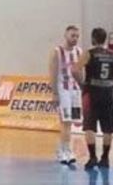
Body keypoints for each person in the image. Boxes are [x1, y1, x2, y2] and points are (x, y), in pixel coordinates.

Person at [73, 28, 113, 170]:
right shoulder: (111, 54)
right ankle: (105, 158)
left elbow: (75, 69)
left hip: (92, 92)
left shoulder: (89, 53)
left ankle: (93, 157)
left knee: (90, 126)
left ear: (93, 39)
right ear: (105, 39)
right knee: (108, 128)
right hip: (108, 93)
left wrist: (81, 83)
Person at [49, 25, 83, 165]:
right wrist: (54, 93)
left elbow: (81, 72)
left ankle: (64, 149)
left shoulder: (79, 51)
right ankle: (65, 150)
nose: (75, 38)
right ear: (66, 35)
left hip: (76, 91)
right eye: (72, 35)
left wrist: (83, 89)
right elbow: (52, 73)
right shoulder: (57, 52)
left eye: (77, 36)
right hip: (63, 90)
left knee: (72, 122)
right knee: (66, 121)